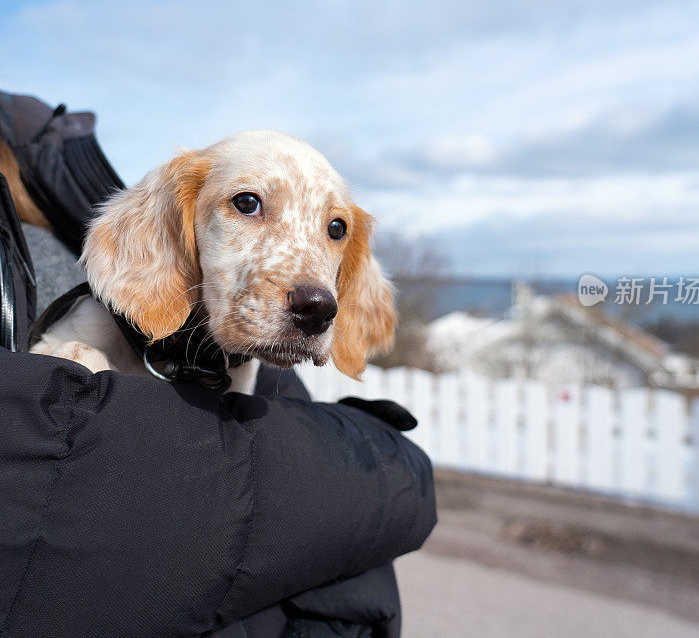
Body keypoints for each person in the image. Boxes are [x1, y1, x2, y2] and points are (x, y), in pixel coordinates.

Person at [0, 91, 436, 638]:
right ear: (178, 222)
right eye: (249, 204)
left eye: (333, 230)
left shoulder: (257, 370)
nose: (316, 290)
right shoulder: (91, 328)